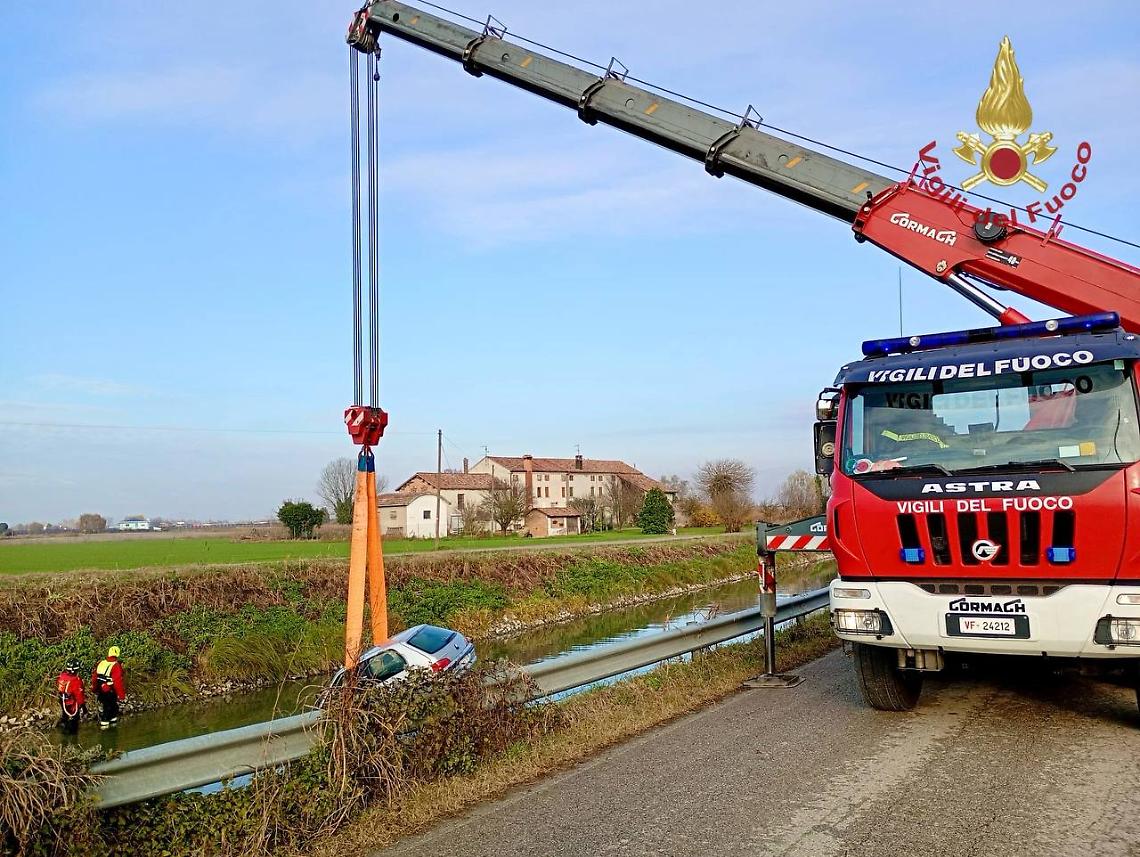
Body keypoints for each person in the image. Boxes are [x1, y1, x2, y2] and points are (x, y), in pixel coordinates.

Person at [91, 646, 125, 729]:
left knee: (108, 707)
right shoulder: (116, 665)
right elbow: (118, 682)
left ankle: (109, 724)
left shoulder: (101, 663)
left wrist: (94, 689)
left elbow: (94, 678)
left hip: (100, 690)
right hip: (109, 691)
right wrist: (121, 695)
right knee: (110, 708)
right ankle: (107, 727)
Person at [56, 659, 85, 735]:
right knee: (74, 720)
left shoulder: (62, 676)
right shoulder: (76, 680)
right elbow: (79, 695)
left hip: (62, 700)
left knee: (65, 716)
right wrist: (83, 706)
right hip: (72, 702)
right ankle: (72, 736)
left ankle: (64, 730)